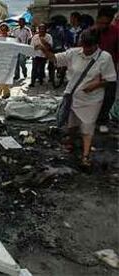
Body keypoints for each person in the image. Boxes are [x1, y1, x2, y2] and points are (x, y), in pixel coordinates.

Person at [40, 29, 116, 167]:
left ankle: (85, 156)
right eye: (84, 46)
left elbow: (110, 79)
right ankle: (71, 140)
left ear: (96, 45)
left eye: (90, 47)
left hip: (92, 99)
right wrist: (44, 49)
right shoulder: (74, 53)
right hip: (73, 96)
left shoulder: (105, 57)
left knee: (88, 125)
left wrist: (96, 85)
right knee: (72, 122)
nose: (86, 50)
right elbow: (55, 59)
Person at [95, 6, 119, 133]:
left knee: (108, 96)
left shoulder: (116, 32)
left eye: (107, 23)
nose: (103, 25)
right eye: (101, 22)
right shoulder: (91, 32)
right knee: (92, 95)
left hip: (110, 70)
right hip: (92, 70)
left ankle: (102, 120)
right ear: (97, 19)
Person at [0, 23, 17, 100]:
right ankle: (7, 92)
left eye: (5, 29)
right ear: (0, 30)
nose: (3, 31)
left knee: (3, 77)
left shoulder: (11, 39)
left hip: (8, 61)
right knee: (0, 78)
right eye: (2, 29)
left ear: (7, 30)